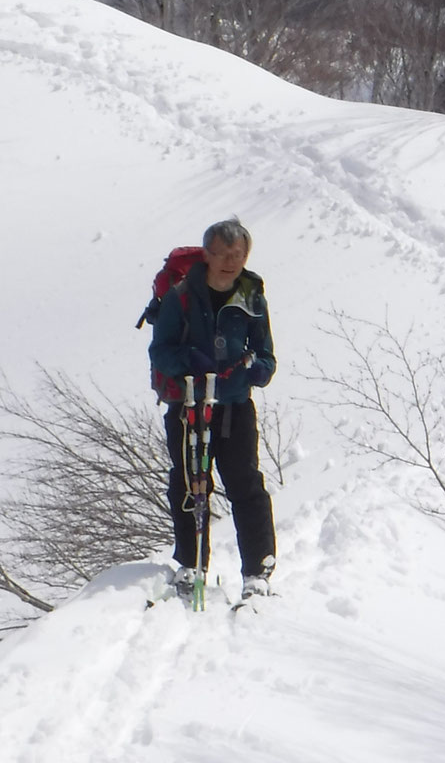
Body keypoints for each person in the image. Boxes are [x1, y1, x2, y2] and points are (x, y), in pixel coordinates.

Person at [148, 216, 278, 600]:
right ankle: (191, 564)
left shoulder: (252, 297)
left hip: (235, 406)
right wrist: (192, 362)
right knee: (190, 484)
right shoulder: (181, 296)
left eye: (238, 254)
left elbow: (268, 359)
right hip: (189, 404)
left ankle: (258, 571)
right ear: (207, 254)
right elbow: (161, 351)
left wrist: (253, 371)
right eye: (222, 253)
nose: (230, 262)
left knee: (245, 485)